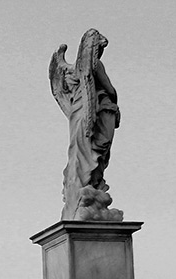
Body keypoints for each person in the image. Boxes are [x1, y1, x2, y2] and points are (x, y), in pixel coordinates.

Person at [49, 29, 122, 221]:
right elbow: (110, 89)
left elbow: (63, 90)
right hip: (92, 110)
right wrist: (113, 97)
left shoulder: (70, 70)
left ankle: (88, 190)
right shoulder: (95, 66)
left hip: (80, 113)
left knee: (82, 150)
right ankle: (85, 191)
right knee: (97, 146)